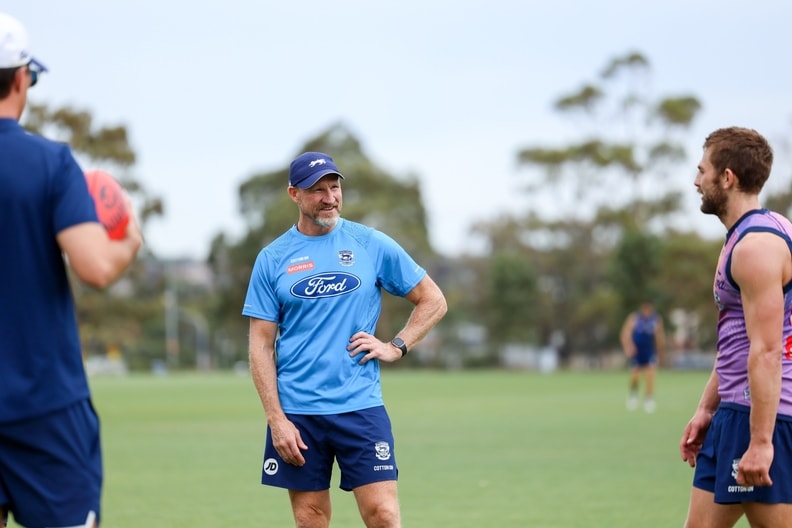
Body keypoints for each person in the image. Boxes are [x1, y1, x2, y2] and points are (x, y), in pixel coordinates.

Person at [243, 151, 447, 528]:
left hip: (360, 407)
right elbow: (260, 345)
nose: (329, 197)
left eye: (334, 187)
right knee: (311, 519)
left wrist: (396, 345)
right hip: (298, 413)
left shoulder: (370, 243)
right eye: (317, 190)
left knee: (383, 516)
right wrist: (276, 419)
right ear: (294, 194)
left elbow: (433, 299)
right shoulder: (272, 259)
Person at [0, 12, 142, 528]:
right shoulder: (50, 163)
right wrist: (128, 238)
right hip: (44, 407)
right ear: (21, 79)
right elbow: (96, 268)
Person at [679, 127, 792, 527]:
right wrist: (706, 408)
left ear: (727, 178)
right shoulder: (750, 234)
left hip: (760, 416)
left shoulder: (755, 248)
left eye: (702, 171)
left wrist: (761, 442)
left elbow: (766, 350)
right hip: (733, 413)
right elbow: (735, 342)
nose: (696, 181)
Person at [620, 301, 666, 412]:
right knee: (635, 376)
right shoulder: (634, 318)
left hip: (649, 351)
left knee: (650, 375)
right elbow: (625, 333)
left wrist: (660, 351)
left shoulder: (655, 320)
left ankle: (648, 399)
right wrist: (629, 347)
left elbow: (659, 337)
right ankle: (633, 395)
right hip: (637, 352)